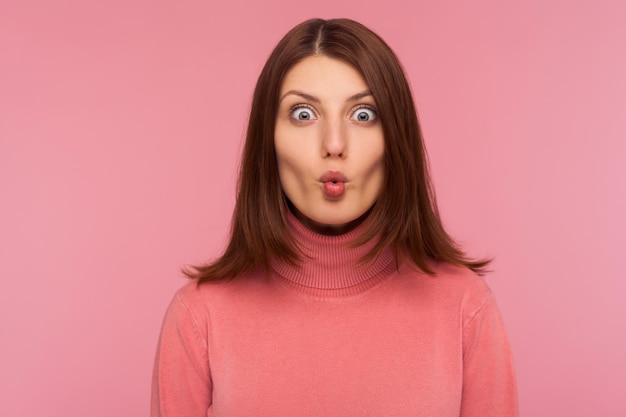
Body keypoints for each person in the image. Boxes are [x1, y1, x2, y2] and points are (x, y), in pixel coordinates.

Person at [151, 18, 518, 416]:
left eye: (363, 115)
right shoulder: (199, 318)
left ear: (397, 137)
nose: (334, 145)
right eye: (303, 114)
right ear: (267, 138)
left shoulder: (465, 307)